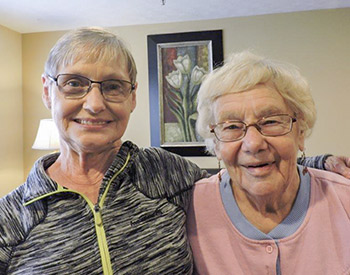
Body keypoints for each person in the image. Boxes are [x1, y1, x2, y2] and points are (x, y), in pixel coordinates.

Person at [0, 28, 348, 275]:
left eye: (112, 86)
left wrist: (323, 164)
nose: (94, 104)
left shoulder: (163, 173)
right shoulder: (12, 216)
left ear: (132, 97)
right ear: (48, 91)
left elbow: (245, 165)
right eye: (74, 83)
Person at [187, 51, 350, 274]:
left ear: (300, 132)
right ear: (215, 143)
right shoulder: (187, 209)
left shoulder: (344, 200)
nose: (253, 144)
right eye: (232, 127)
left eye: (271, 121)